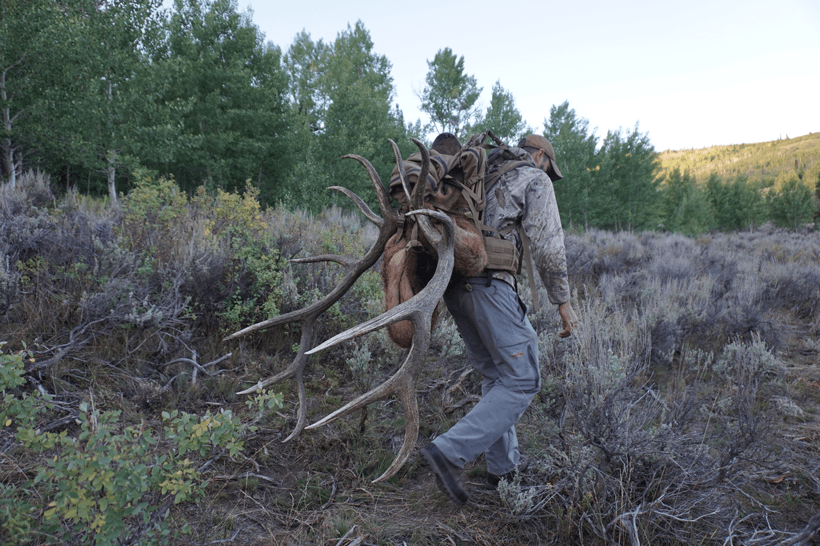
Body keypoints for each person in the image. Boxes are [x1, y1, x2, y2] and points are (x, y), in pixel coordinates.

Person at [420, 134, 578, 505]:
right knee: (524, 379)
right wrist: (563, 303)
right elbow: (548, 244)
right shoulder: (532, 178)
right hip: (490, 283)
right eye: (548, 169)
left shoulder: (482, 175)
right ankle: (448, 452)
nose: (547, 176)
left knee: (497, 375)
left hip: (457, 285)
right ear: (539, 155)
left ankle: (503, 470)